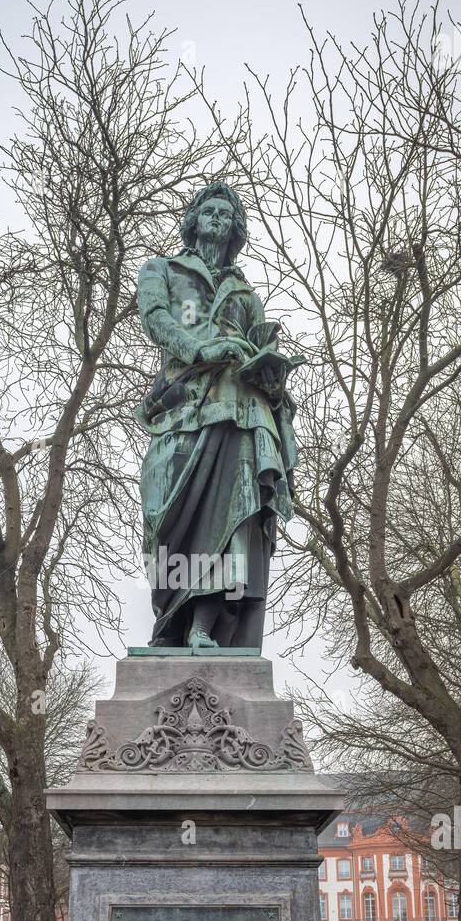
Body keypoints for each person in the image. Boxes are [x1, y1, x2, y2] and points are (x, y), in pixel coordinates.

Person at [136, 180, 301, 650]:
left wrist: (271, 376)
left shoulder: (245, 294)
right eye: (208, 212)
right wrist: (204, 348)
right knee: (162, 513)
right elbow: (156, 320)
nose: (216, 220)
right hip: (182, 410)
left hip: (239, 412)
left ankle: (203, 626)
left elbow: (260, 347)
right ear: (193, 220)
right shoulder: (162, 270)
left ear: (235, 229)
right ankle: (171, 620)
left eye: (225, 215)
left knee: (234, 518)